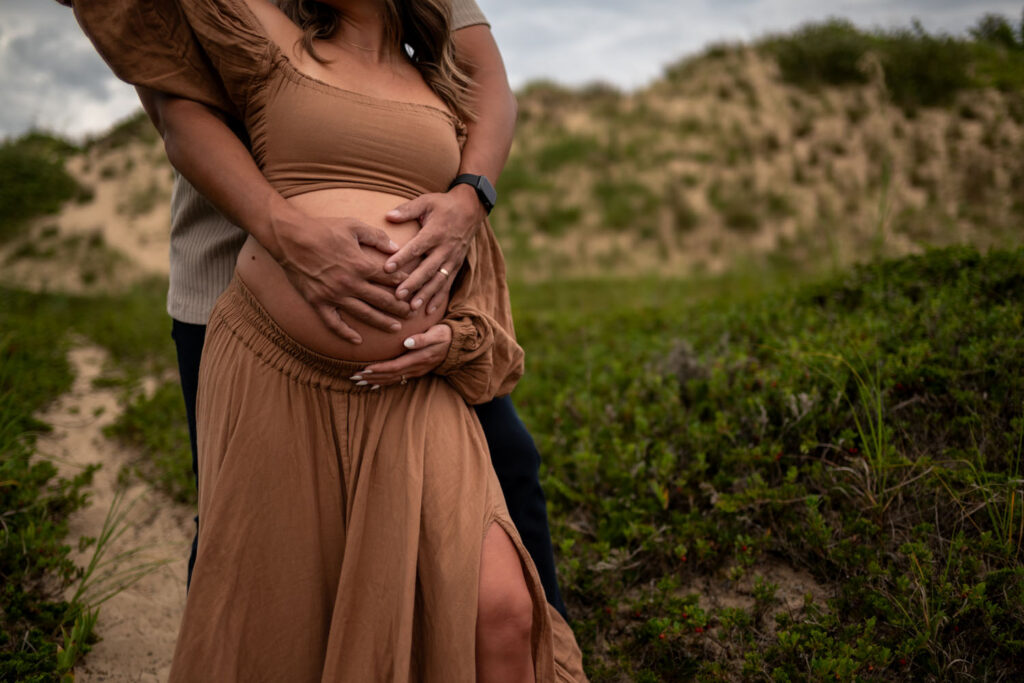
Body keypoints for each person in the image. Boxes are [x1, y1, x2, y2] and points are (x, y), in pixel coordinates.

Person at [70, 0, 585, 679]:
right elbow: (173, 104)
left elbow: (489, 83)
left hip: (412, 367)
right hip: (237, 290)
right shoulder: (255, 28)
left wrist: (469, 196)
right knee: (248, 547)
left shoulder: (416, 51)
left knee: (508, 487)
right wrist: (288, 235)